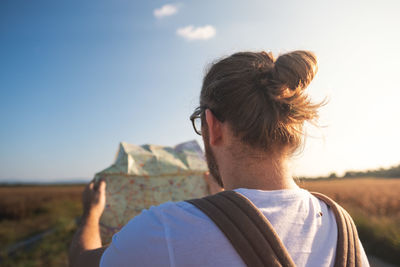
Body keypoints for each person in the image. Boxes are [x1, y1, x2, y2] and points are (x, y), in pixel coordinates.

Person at [69, 50, 370, 267]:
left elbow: (82, 261)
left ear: (212, 126)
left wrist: (91, 214)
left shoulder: (166, 229)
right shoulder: (342, 226)